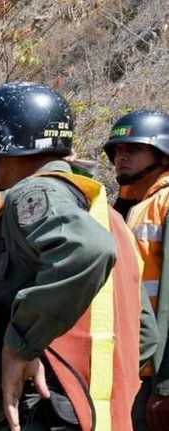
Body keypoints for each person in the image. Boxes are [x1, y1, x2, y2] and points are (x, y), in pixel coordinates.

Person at [0, 82, 155, 431]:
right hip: (93, 415)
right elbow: (145, 336)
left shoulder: (34, 192)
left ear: (3, 147)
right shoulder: (105, 213)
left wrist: (23, 346)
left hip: (40, 412)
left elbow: (85, 251)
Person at [102, 110, 169, 431]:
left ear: (162, 155)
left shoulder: (164, 205)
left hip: (156, 372)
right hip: (132, 364)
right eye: (116, 150)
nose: (120, 157)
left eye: (132, 149)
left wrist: (165, 384)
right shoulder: (129, 208)